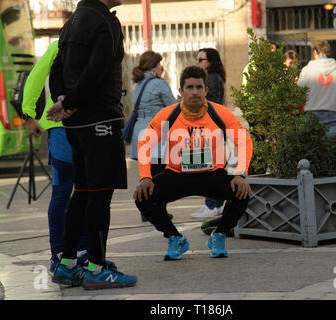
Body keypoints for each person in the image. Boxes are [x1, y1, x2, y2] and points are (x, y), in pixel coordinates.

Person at [46, 0, 137, 290]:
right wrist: (69, 102)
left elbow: (55, 69)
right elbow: (97, 69)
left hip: (76, 122)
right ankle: (96, 268)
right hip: (100, 119)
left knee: (83, 191)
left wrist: (64, 101)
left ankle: (68, 264)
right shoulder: (104, 21)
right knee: (100, 195)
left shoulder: (71, 21)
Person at [134, 66, 253, 259]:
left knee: (242, 193)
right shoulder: (167, 115)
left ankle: (219, 234)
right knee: (142, 196)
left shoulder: (220, 113)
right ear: (180, 92)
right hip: (177, 175)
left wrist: (240, 173)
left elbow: (244, 141)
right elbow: (145, 143)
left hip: (212, 175)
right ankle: (175, 237)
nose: (195, 92)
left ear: (206, 90)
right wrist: (146, 176)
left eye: (199, 87)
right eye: (190, 87)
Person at [22, 40, 117, 274]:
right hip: (70, 126)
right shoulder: (70, 44)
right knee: (78, 191)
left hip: (76, 127)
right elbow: (36, 77)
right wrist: (29, 114)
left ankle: (70, 254)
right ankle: (68, 254)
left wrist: (29, 114)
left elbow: (35, 76)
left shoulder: (66, 44)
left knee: (76, 192)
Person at [129, 51, 177, 221]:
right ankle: (159, 210)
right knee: (160, 175)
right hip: (156, 133)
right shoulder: (158, 83)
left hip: (140, 132)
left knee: (146, 174)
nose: (161, 67)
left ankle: (146, 211)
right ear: (153, 66)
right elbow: (172, 107)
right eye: (159, 64)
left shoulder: (138, 83)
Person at [191, 47, 227, 219]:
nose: (197, 63)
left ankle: (212, 205)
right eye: (197, 59)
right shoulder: (211, 78)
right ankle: (215, 204)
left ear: (210, 61)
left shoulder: (212, 78)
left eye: (201, 60)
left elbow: (210, 103)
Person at [297, 40, 336, 137]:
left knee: (313, 148)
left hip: (312, 113)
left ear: (315, 53)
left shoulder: (307, 70)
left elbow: (298, 93)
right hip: (333, 113)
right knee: (330, 148)